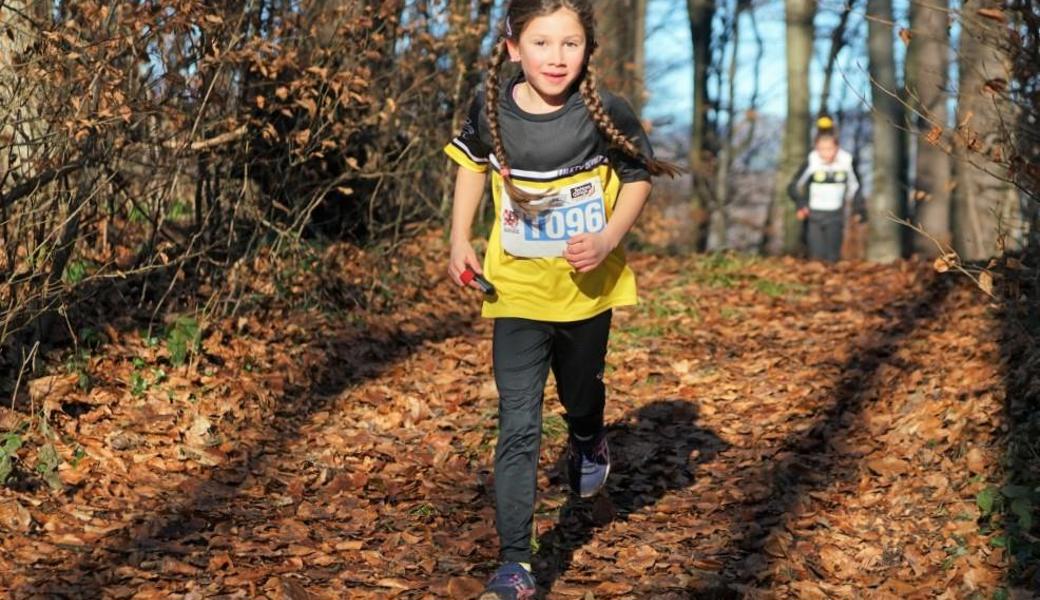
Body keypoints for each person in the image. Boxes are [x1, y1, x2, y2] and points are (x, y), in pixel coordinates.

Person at [443, 1, 678, 597]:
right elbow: (472, 163)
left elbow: (639, 177)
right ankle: (515, 564)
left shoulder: (607, 112)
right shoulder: (489, 106)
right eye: (542, 43)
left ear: (588, 49)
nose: (556, 57)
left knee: (579, 399)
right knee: (519, 423)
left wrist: (604, 239)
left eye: (570, 44)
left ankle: (586, 438)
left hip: (583, 292)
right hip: (517, 290)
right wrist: (458, 236)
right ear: (514, 48)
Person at [787, 116, 866, 263]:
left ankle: (832, 284)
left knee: (832, 257)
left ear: (836, 147)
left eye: (829, 149)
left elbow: (856, 187)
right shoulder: (812, 160)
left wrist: (858, 208)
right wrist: (801, 204)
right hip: (814, 216)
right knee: (816, 256)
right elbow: (792, 186)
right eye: (821, 149)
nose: (826, 154)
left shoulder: (846, 160)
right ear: (816, 148)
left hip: (836, 215)